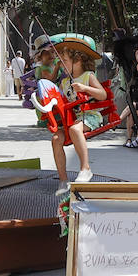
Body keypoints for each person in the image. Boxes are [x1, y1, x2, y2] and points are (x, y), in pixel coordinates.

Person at [47, 40, 107, 185]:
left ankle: (85, 168)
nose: (62, 65)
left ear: (78, 60)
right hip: (73, 118)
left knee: (75, 129)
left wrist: (85, 88)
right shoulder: (65, 82)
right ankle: (63, 180)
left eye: (64, 61)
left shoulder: (88, 76)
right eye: (60, 62)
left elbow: (102, 94)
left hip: (91, 116)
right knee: (56, 139)